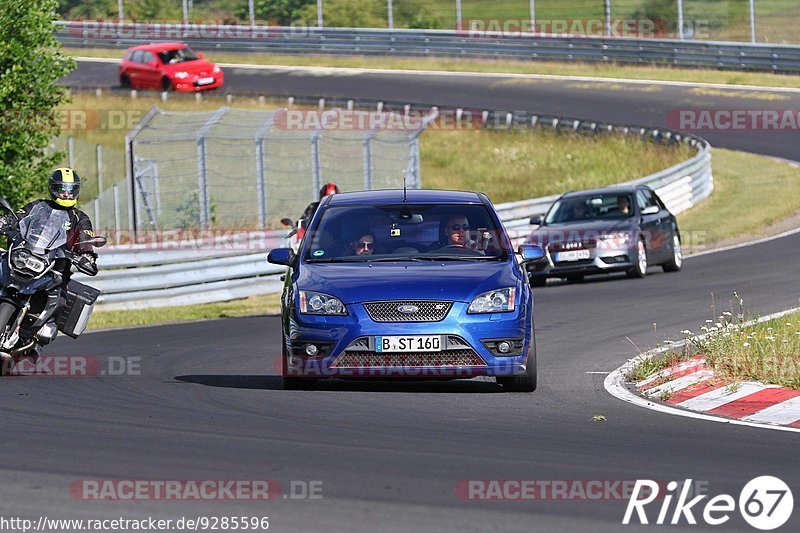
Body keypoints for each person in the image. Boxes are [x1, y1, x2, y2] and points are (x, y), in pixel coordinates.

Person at [0, 168, 99, 356]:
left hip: (54, 268)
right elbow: (19, 218)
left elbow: (86, 239)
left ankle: (34, 338)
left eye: (71, 190)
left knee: (60, 299)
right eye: (63, 189)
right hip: (29, 255)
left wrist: (86, 255)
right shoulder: (38, 206)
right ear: (53, 189)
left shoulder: (80, 218)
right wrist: (5, 222)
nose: (67, 194)